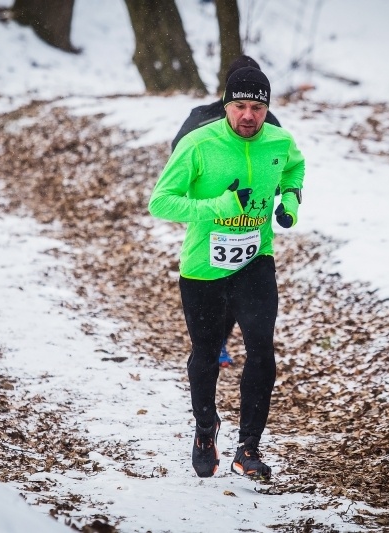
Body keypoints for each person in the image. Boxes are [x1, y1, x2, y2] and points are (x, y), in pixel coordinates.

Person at [149, 67, 305, 481]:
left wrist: (289, 200)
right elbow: (161, 202)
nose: (248, 115)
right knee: (206, 355)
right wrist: (216, 207)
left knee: (261, 351)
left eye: (257, 107)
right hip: (203, 269)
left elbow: (294, 170)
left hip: (256, 262)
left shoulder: (280, 140)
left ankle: (248, 449)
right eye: (239, 106)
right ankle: (205, 430)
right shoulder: (199, 145)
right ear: (226, 105)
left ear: (267, 109)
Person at [170, 54, 283, 368]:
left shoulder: (268, 122)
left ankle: (214, 342)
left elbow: (282, 164)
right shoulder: (202, 117)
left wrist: (277, 193)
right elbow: (178, 154)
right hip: (210, 214)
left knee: (238, 278)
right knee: (216, 276)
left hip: (248, 220)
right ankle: (210, 343)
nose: (249, 113)